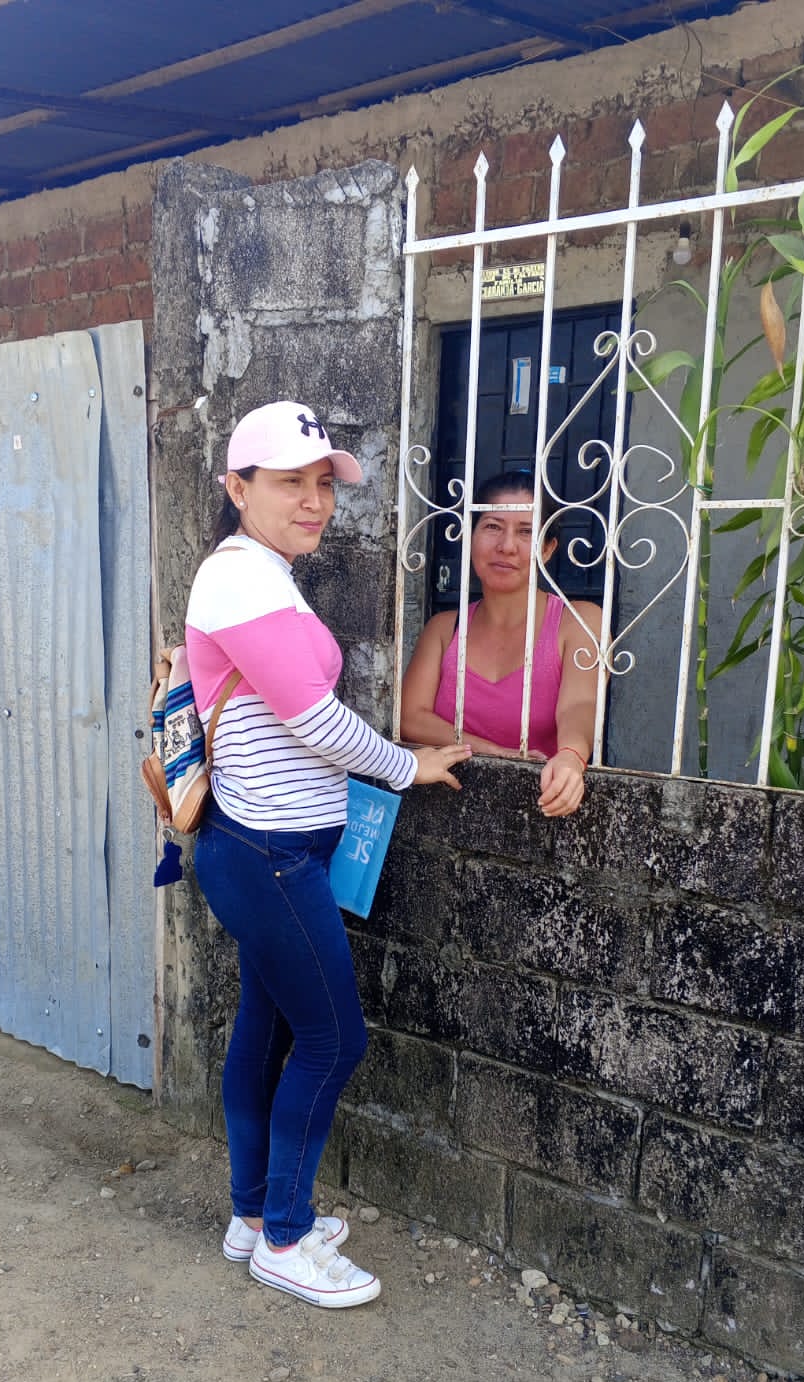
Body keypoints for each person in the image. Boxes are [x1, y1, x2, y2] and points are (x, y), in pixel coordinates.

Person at [185, 401, 470, 1310]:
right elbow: (313, 720)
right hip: (268, 854)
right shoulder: (240, 578)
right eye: (290, 483)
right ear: (237, 489)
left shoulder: (266, 572)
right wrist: (407, 767)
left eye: (322, 483)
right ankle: (285, 1236)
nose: (315, 502)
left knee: (269, 1030)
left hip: (269, 848)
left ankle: (253, 1214)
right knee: (334, 1038)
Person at [399, 470, 602, 818]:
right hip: (443, 812)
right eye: (493, 526)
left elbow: (580, 704)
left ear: (548, 548)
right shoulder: (444, 629)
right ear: (471, 536)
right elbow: (409, 718)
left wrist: (571, 755)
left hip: (539, 813)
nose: (507, 546)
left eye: (526, 532)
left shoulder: (579, 621)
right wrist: (495, 752)